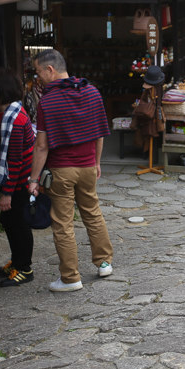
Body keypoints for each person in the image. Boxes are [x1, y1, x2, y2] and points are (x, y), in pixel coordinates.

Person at [28, 48, 113, 292]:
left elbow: (41, 147)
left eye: (38, 72)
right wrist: (96, 163)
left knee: (63, 224)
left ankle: (70, 278)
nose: (37, 77)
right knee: (93, 213)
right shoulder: (92, 92)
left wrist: (33, 179)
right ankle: (104, 263)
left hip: (61, 171)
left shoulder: (47, 101)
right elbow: (100, 134)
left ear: (50, 70)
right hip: (87, 167)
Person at [0, 68, 36, 287]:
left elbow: (14, 161)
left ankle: (25, 268)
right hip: (12, 178)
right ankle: (16, 262)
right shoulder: (0, 113)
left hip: (19, 180)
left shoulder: (14, 119)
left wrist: (7, 193)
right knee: (9, 220)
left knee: (18, 222)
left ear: (3, 89)